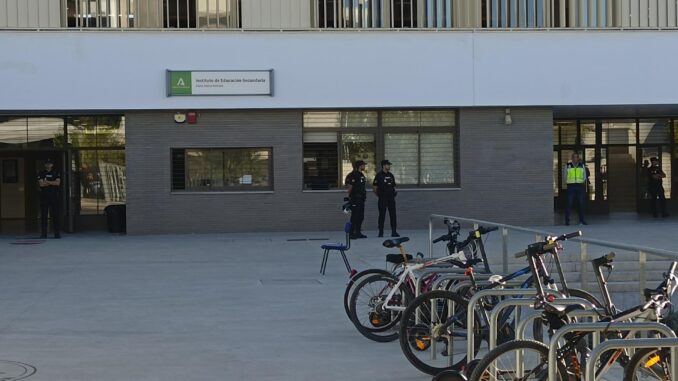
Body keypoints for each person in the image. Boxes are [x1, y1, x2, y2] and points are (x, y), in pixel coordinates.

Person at [373, 159, 399, 237]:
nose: (389, 166)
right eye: (388, 165)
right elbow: (374, 188)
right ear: (384, 166)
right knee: (382, 215)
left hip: (391, 198)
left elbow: (394, 186)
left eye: (389, 165)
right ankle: (381, 232)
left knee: (393, 214)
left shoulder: (391, 175)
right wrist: (380, 195)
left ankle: (394, 231)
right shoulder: (379, 175)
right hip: (382, 199)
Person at [37, 159, 61, 239]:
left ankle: (56, 234)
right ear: (45, 165)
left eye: (50, 163)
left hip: (54, 196)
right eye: (47, 164)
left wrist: (47, 182)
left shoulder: (56, 173)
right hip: (44, 196)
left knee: (55, 215)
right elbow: (41, 184)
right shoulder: (41, 173)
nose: (48, 165)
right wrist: (52, 182)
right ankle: (44, 234)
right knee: (44, 215)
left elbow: (58, 183)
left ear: (52, 165)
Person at [564, 152, 589, 226]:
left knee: (581, 203)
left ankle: (582, 220)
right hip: (571, 186)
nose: (575, 158)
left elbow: (584, 175)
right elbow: (565, 175)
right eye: (574, 157)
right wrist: (568, 182)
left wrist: (583, 181)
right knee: (569, 203)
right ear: (572, 158)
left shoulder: (582, 166)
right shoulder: (568, 165)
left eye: (576, 157)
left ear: (578, 158)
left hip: (579, 186)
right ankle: (567, 221)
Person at [345, 160, 367, 239]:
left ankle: (358, 232)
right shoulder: (352, 175)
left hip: (361, 199)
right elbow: (350, 187)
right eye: (363, 165)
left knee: (361, 216)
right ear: (359, 166)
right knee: (354, 216)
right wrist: (350, 197)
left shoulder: (361, 174)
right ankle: (351, 233)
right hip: (355, 198)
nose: (364, 166)